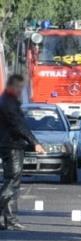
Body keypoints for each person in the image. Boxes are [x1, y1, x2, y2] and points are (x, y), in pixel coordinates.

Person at [0, 75, 45, 230]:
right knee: (12, 181)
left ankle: (8, 220)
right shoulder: (8, 103)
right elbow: (18, 125)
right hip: (11, 146)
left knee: (11, 182)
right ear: (11, 87)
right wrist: (35, 143)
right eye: (18, 87)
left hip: (12, 145)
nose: (20, 91)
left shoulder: (9, 101)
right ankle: (8, 218)